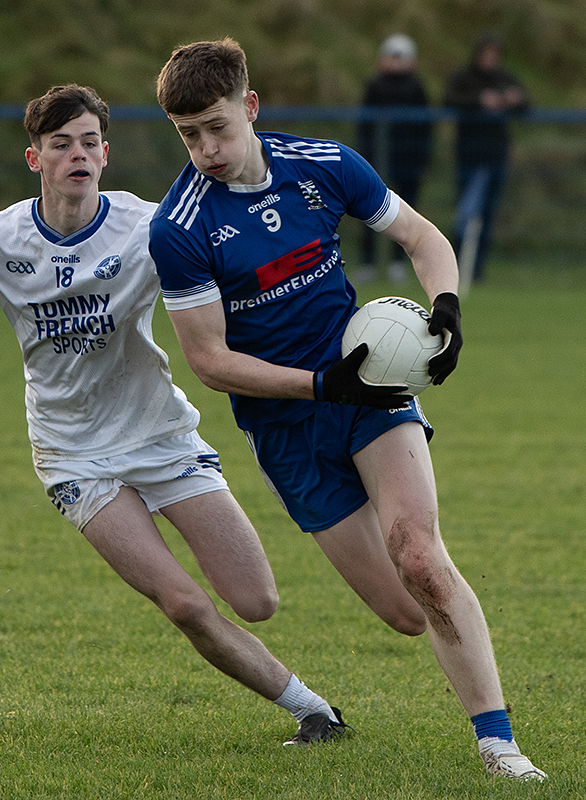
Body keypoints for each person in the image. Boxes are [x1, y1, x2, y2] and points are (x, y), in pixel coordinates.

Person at [0, 83, 355, 747]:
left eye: (89, 142)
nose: (78, 154)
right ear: (35, 159)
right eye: (61, 144)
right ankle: (313, 711)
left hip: (161, 435)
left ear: (106, 154)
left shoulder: (151, 228)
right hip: (73, 455)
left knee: (257, 600)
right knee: (184, 603)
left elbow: (235, 272)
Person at [149, 38, 545, 780]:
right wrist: (320, 385)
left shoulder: (324, 166)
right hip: (285, 423)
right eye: (188, 135)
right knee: (406, 613)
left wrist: (447, 305)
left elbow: (421, 236)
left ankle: (500, 747)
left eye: (217, 127)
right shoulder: (180, 228)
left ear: (250, 106)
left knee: (420, 558)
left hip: (371, 390)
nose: (206, 150)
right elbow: (209, 361)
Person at [443, 31, 529, 284]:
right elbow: (449, 99)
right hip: (469, 156)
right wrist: (479, 101)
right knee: (465, 214)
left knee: (488, 216)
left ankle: (477, 270)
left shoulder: (505, 78)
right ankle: (454, 265)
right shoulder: (464, 78)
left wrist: (514, 100)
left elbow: (526, 103)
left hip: (496, 157)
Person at [357, 33, 432, 284]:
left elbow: (425, 127)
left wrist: (423, 159)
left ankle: (399, 262)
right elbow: (364, 125)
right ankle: (368, 262)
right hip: (376, 161)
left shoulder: (416, 87)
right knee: (368, 209)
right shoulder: (375, 85)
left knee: (406, 212)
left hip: (407, 159)